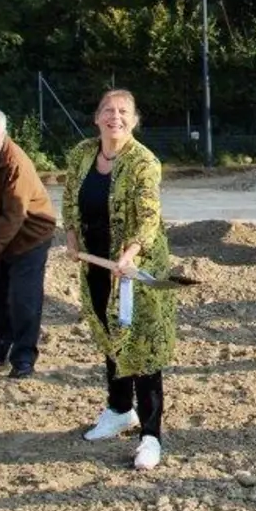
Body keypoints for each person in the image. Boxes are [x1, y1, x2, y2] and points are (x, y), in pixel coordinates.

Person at [62, 90, 178, 471]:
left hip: (135, 270)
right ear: (96, 117)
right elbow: (69, 199)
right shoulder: (81, 154)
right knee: (110, 336)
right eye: (108, 111)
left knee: (141, 347)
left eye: (124, 111)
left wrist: (129, 254)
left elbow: (147, 216)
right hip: (96, 264)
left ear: (135, 120)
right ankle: (118, 410)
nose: (116, 117)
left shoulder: (144, 162)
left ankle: (151, 435)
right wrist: (71, 236)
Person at [0, 107, 57, 379]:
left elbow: (15, 215)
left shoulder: (16, 162)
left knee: (22, 299)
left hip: (29, 237)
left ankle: (24, 359)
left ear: (2, 133)